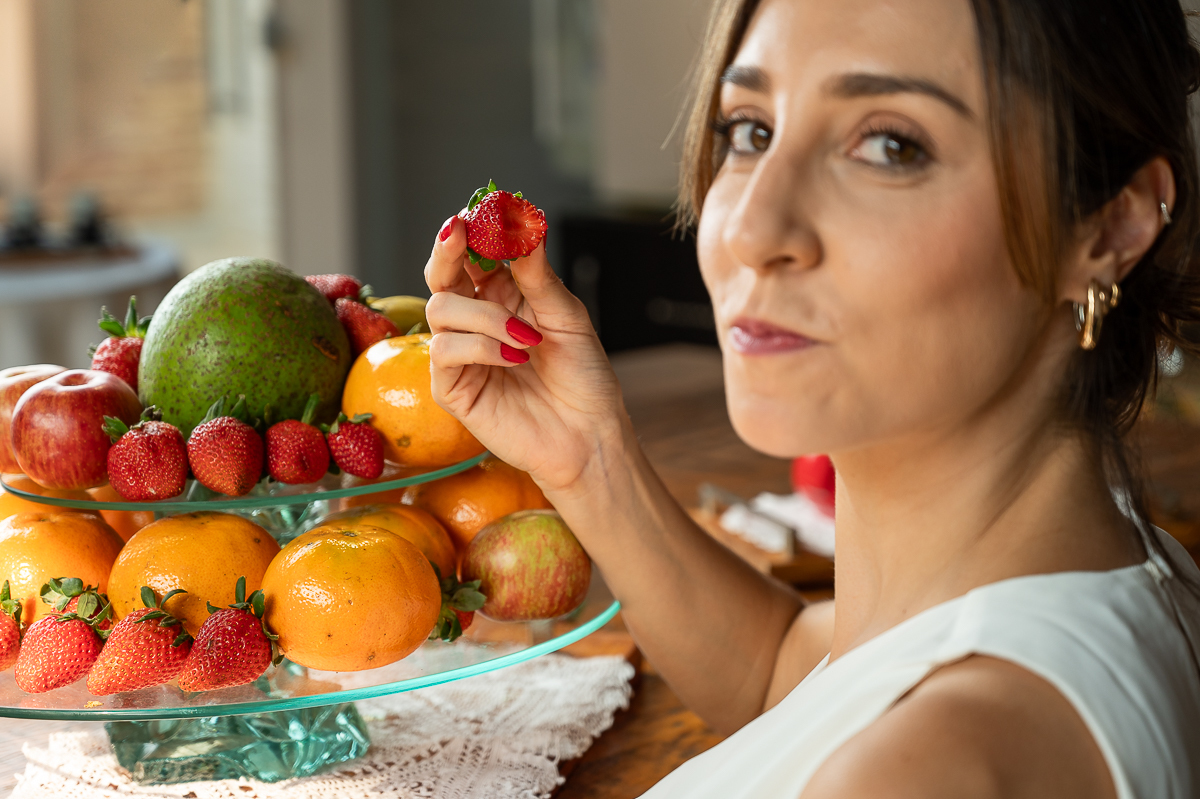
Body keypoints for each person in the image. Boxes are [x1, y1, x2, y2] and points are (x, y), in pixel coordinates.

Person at [422, 0, 1200, 795]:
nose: (752, 226)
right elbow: (790, 674)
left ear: (1109, 229)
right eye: (751, 130)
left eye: (891, 145)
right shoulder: (1096, 578)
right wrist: (591, 458)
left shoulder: (932, 764)